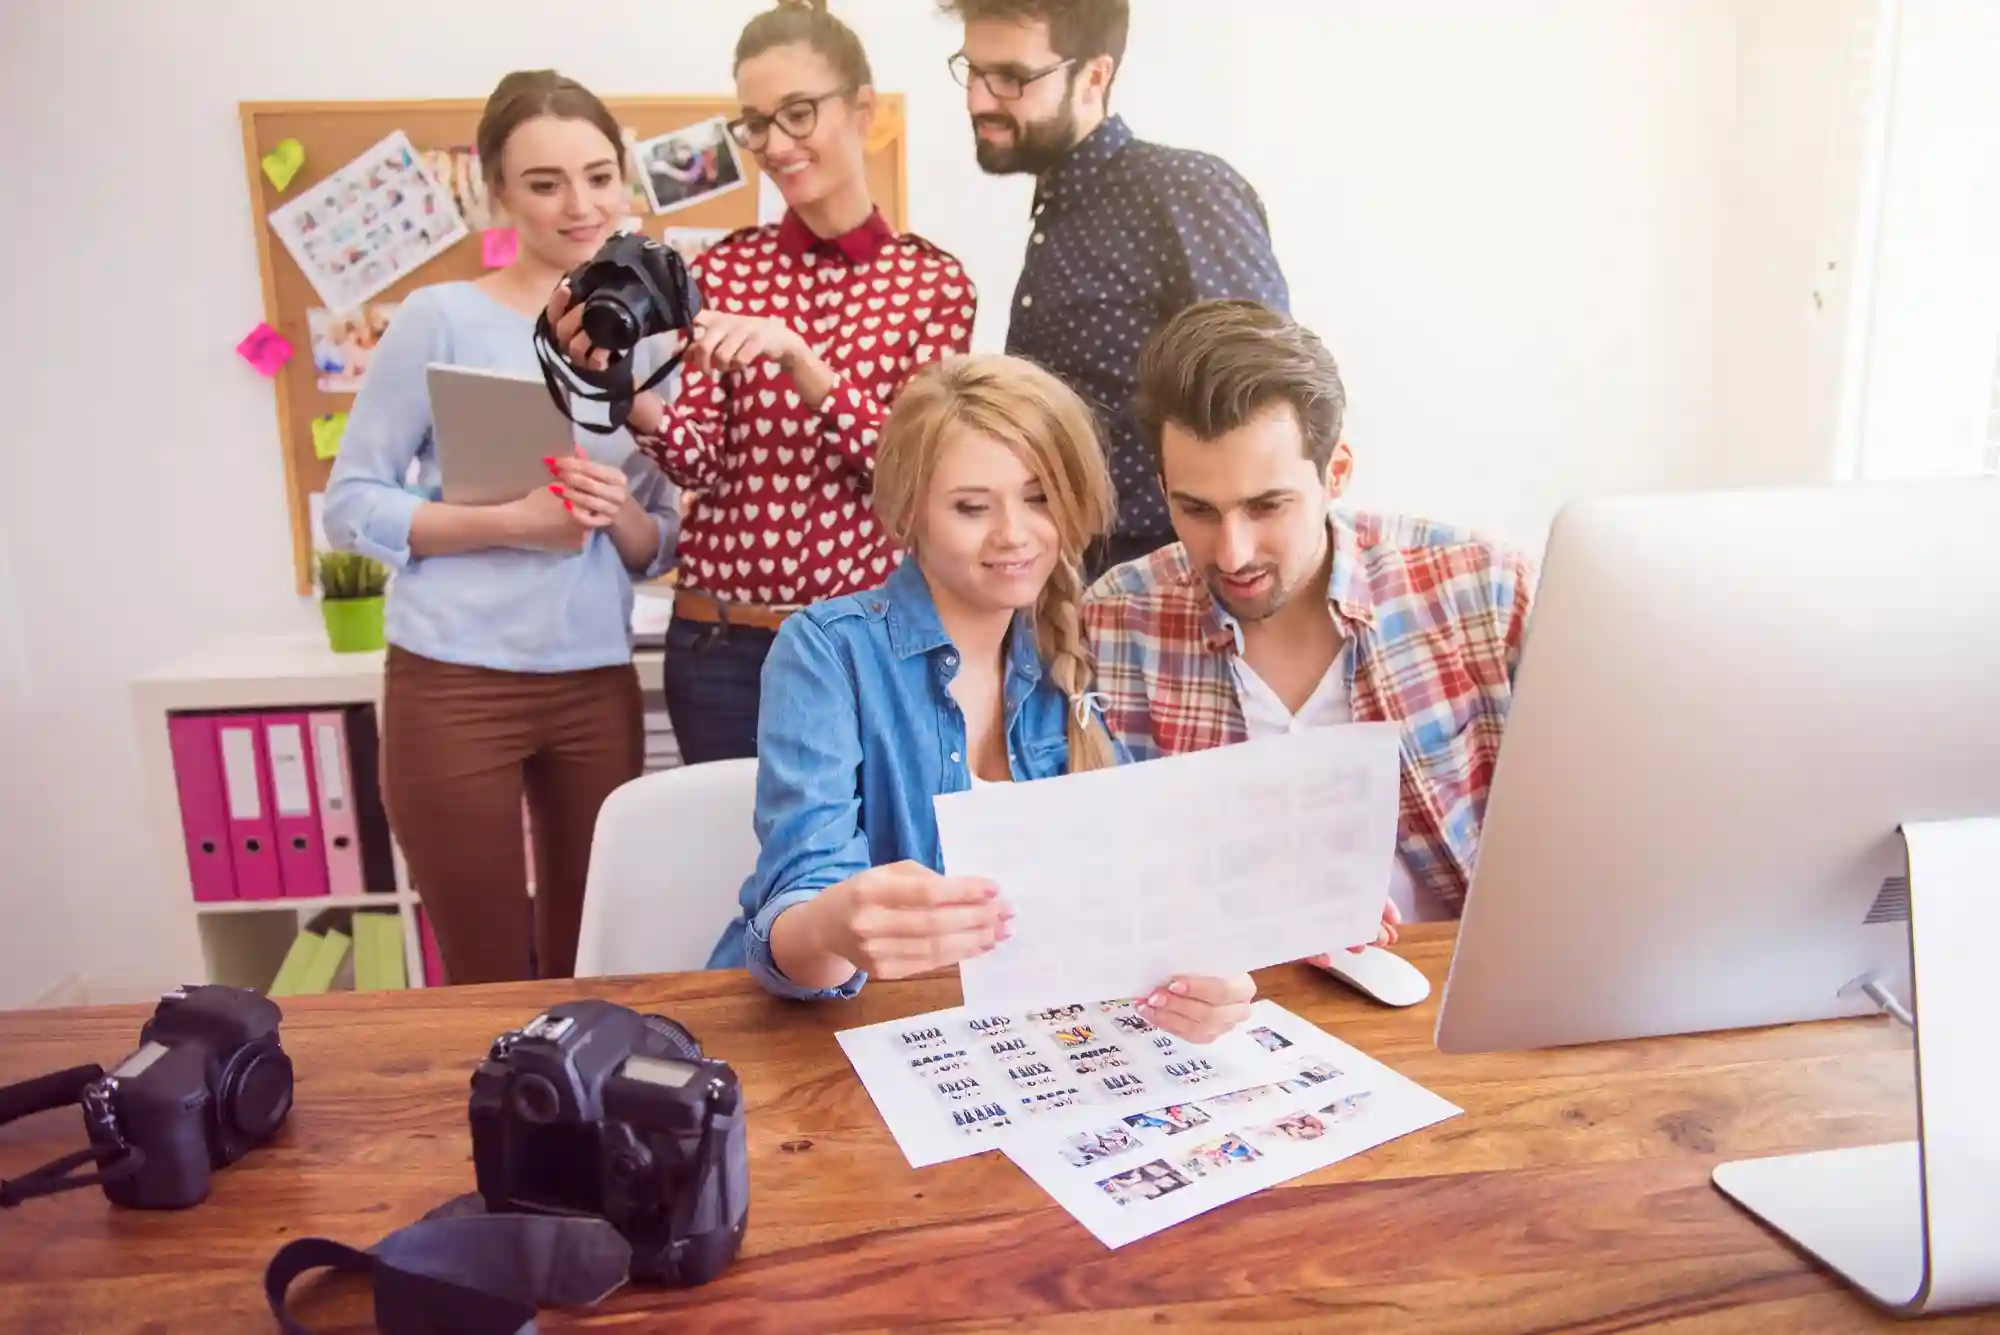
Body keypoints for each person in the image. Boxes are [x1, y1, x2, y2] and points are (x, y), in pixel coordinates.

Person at [708, 354, 1257, 1045]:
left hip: (1018, 1040)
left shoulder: (1087, 644)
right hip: (839, 1044)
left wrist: (1199, 975)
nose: (1014, 534)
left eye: (1038, 497)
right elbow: (795, 911)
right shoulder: (827, 650)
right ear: (909, 512)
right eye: (972, 507)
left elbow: (1137, 885)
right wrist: (833, 924)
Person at [550, 0, 977, 764]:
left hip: (861, 647)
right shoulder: (721, 268)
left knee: (866, 871)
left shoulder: (934, 284)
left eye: (799, 113)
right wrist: (625, 391)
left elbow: (914, 476)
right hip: (716, 646)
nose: (776, 145)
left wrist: (802, 364)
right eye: (756, 123)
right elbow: (701, 464)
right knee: (726, 875)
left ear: (863, 110)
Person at [323, 70, 680, 985]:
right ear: (498, 193)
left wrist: (623, 514)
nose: (581, 203)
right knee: (482, 966)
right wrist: (509, 521)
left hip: (592, 681)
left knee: (589, 958)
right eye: (545, 182)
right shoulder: (442, 318)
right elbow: (354, 501)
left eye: (600, 175)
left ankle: (579, 1123)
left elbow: (661, 542)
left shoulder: (652, 344)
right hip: (453, 684)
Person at [1085, 300, 1537, 943]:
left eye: (1267, 506)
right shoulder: (1114, 624)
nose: (1233, 552)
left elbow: (1598, 820)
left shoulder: (1480, 591)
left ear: (1338, 473)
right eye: (1197, 510)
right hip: (1225, 1005)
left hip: (1445, 992)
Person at [940, 0, 1289, 580]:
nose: (979, 100)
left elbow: (1263, 400)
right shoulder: (1060, 208)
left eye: (1011, 77)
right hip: (1067, 578)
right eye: (972, 71)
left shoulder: (1183, 191)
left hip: (1172, 589)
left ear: (1094, 76)